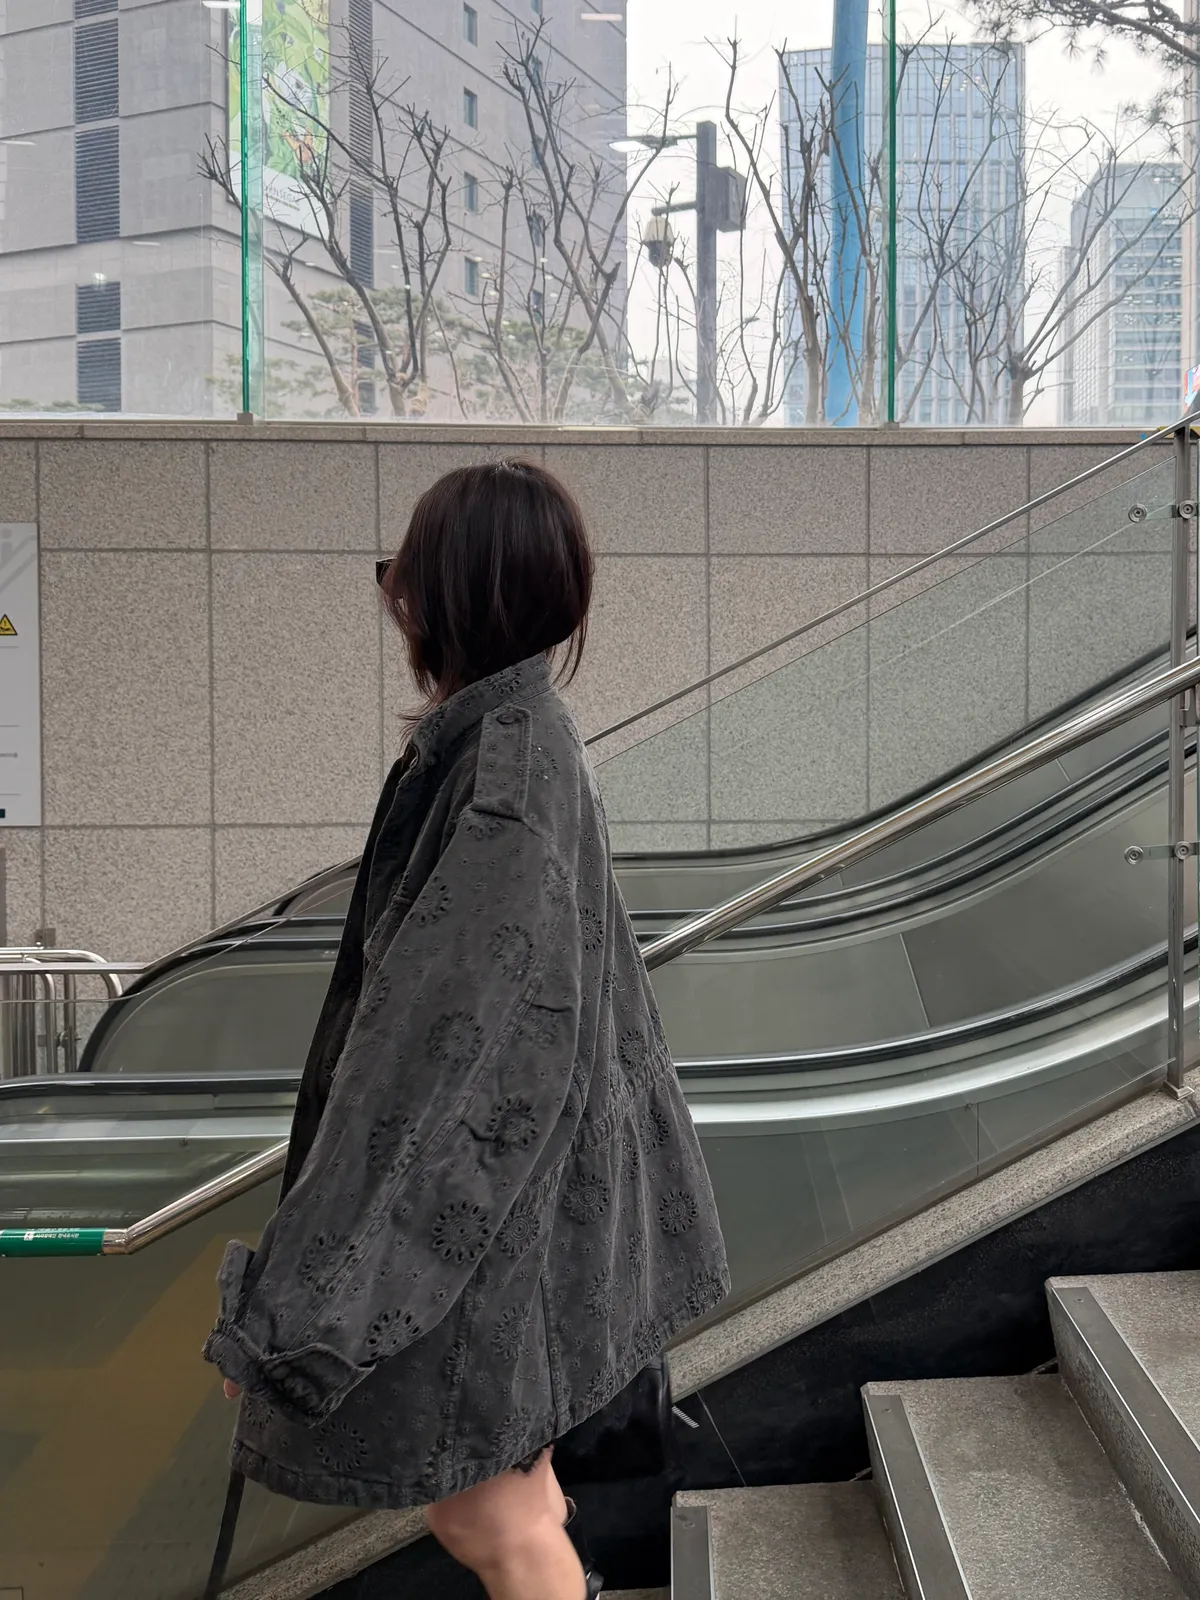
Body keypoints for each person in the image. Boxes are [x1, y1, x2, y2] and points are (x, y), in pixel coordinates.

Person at [202, 459, 729, 1600]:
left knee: (496, 1516)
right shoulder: (519, 741)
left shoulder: (505, 776)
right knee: (506, 1504)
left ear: (441, 595)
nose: (393, 598)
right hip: (535, 1208)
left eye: (403, 575)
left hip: (511, 1225)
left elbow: (434, 1067)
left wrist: (293, 1317)